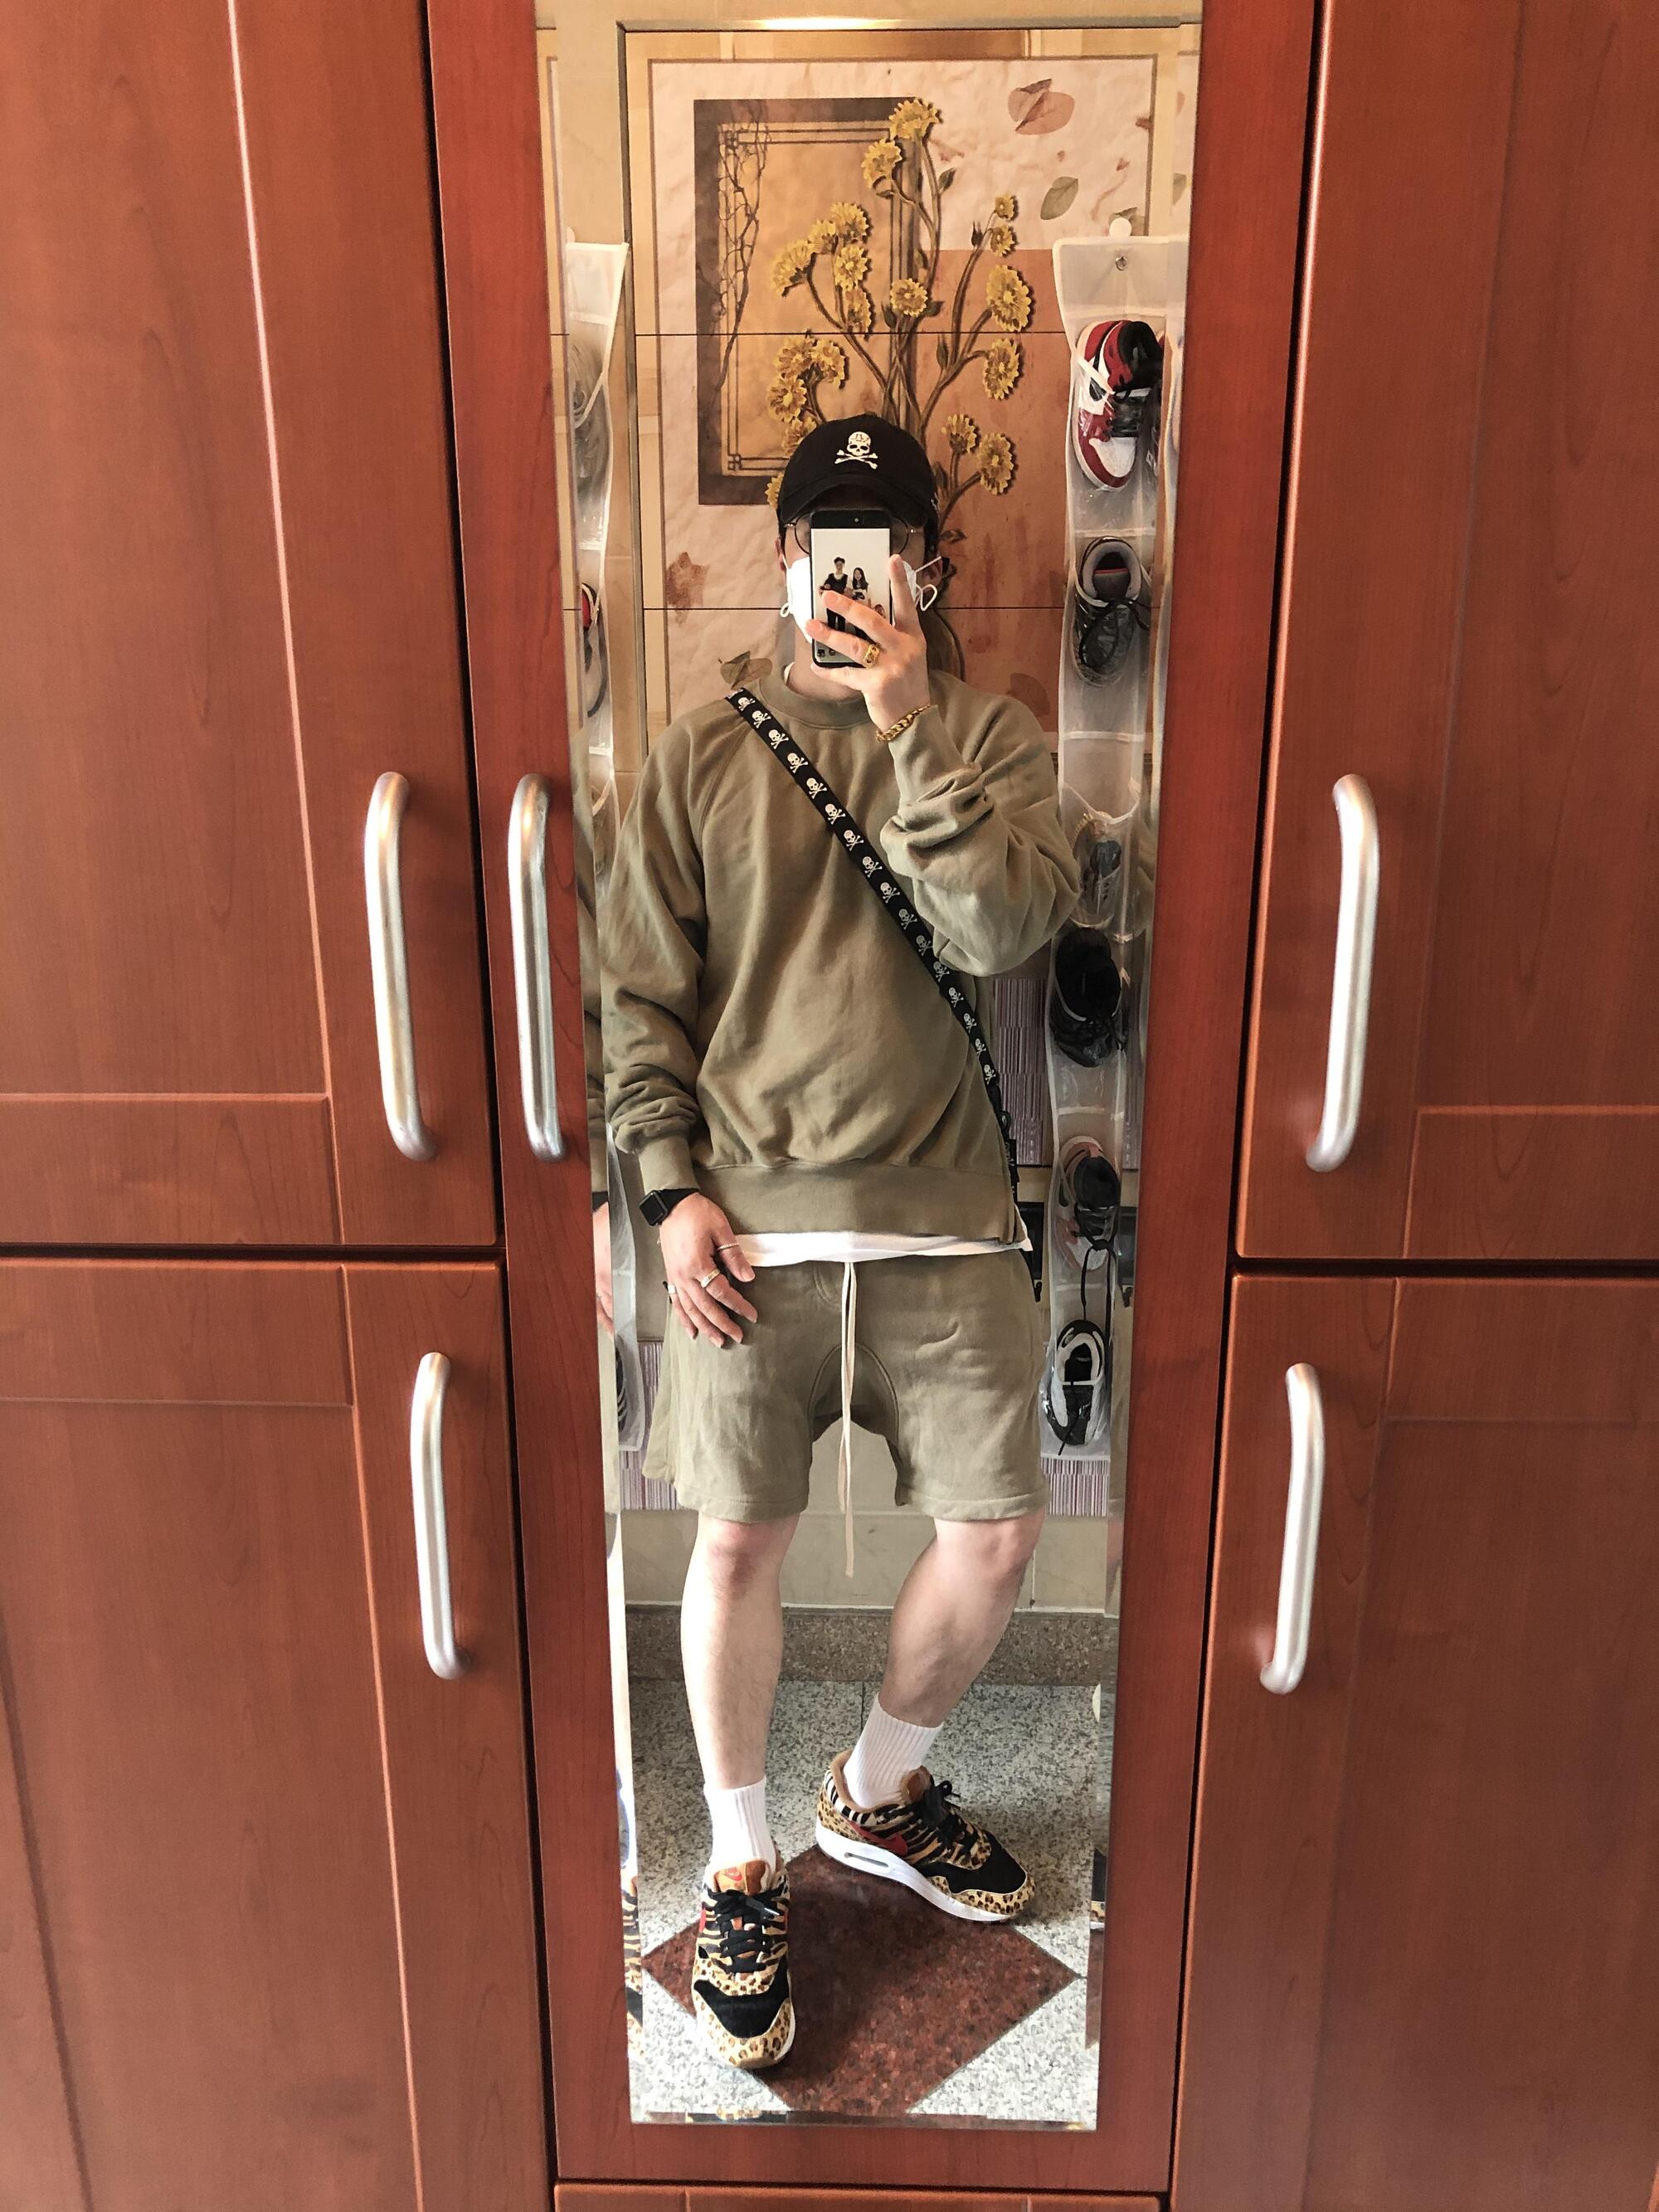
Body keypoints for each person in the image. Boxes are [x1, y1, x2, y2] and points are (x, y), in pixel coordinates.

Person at [602, 412, 1079, 2072]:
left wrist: (906, 726)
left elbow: (1006, 929)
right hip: (749, 1223)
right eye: (828, 544)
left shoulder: (991, 739)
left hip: (950, 1218)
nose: (856, 573)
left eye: (887, 546)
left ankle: (874, 1789)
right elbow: (639, 996)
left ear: (929, 570)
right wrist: (667, 1188)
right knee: (737, 1538)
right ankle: (740, 1859)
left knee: (998, 1534)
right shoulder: (697, 757)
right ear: (790, 559)